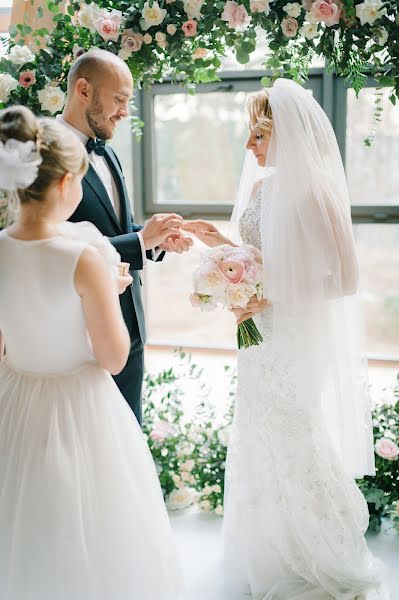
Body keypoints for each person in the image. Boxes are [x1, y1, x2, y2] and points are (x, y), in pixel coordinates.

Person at [184, 79, 388, 599]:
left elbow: (343, 280)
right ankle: (267, 550)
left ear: (284, 134)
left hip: (293, 334)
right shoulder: (259, 191)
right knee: (258, 433)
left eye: (257, 136)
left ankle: (315, 548)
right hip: (257, 335)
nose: (249, 147)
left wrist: (269, 295)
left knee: (295, 431)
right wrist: (220, 247)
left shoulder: (318, 193)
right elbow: (260, 256)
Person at [0, 106, 182, 600]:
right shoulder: (82, 257)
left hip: (15, 404)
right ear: (64, 185)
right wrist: (106, 291)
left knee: (24, 527)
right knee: (93, 529)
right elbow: (113, 357)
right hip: (79, 409)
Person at [58, 48, 192, 425]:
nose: (124, 111)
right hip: (80, 335)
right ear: (83, 90)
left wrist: (154, 238)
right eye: (118, 99)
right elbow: (53, 251)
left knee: (127, 440)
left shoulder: (109, 153)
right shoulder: (44, 155)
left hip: (130, 326)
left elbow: (113, 231)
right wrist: (139, 242)